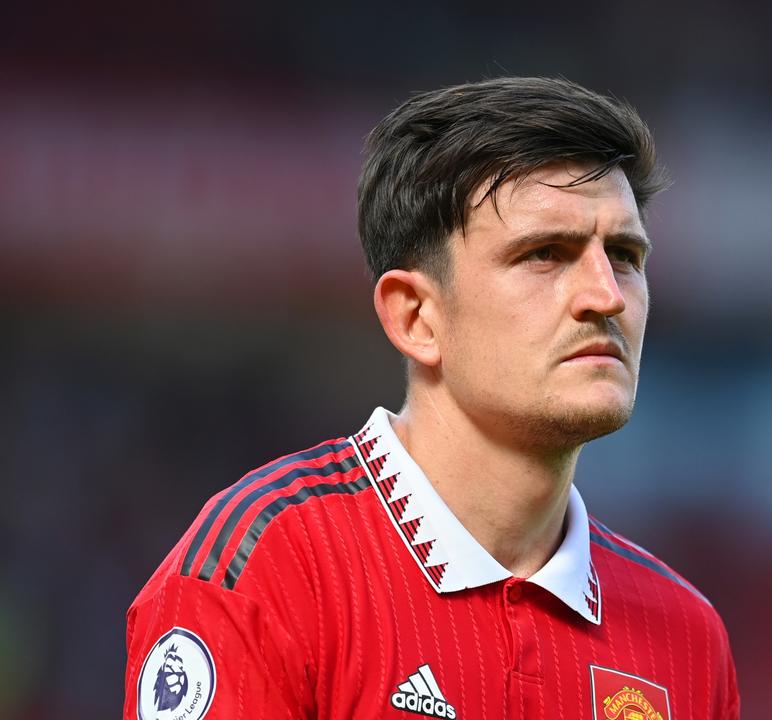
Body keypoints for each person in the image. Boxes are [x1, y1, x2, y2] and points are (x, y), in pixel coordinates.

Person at [123, 77, 740, 720]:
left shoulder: (687, 638)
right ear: (416, 317)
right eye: (545, 254)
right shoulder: (265, 568)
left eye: (624, 254)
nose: (606, 295)